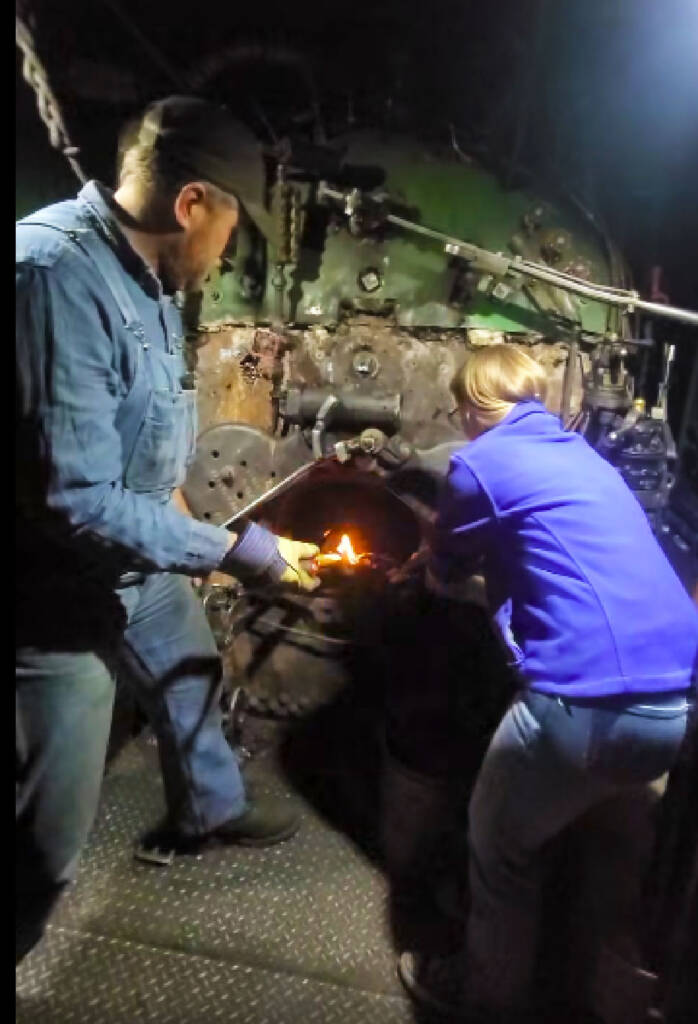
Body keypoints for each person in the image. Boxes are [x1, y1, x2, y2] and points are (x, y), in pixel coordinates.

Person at [16, 96, 320, 964]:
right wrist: (239, 552)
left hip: (134, 563)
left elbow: (146, 454)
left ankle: (210, 808)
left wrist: (191, 545)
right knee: (44, 844)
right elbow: (78, 502)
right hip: (52, 594)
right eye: (232, 229)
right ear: (192, 204)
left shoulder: (151, 283)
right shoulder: (52, 276)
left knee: (190, 674)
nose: (227, 254)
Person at [395, 345, 698, 1021]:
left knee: (496, 848)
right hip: (676, 698)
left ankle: (486, 996)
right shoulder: (583, 456)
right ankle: (574, 973)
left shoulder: (479, 464)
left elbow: (446, 572)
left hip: (584, 703)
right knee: (582, 826)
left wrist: (432, 559)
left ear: (471, 407)